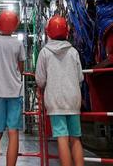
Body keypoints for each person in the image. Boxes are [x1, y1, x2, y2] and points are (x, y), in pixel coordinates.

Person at [36, 15, 84, 166]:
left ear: (47, 32)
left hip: (56, 101)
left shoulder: (45, 52)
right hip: (73, 100)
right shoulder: (73, 52)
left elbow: (40, 80)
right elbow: (80, 78)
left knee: (62, 139)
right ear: (67, 32)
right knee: (76, 139)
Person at [0, 10, 25, 166]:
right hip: (14, 92)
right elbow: (21, 69)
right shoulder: (18, 44)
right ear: (14, 27)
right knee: (13, 133)